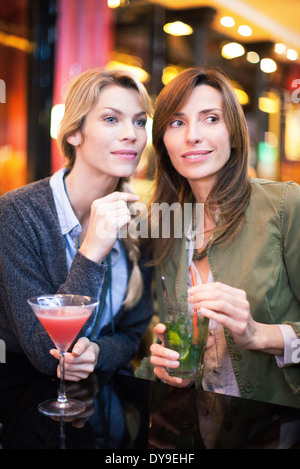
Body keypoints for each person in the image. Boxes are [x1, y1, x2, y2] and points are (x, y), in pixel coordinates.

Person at [139, 66, 300, 408]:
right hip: (196, 425)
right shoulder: (165, 224)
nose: (192, 136)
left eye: (210, 118)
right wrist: (170, 369)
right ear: (163, 140)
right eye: (177, 122)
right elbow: (165, 330)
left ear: (234, 132)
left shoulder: (285, 204)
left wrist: (257, 333)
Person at [0, 68, 153, 381]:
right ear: (73, 133)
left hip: (104, 405)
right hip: (24, 401)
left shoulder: (138, 221)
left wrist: (98, 353)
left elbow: (131, 335)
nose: (132, 134)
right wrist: (91, 253)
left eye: (139, 121)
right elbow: (46, 352)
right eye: (111, 119)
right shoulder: (18, 214)